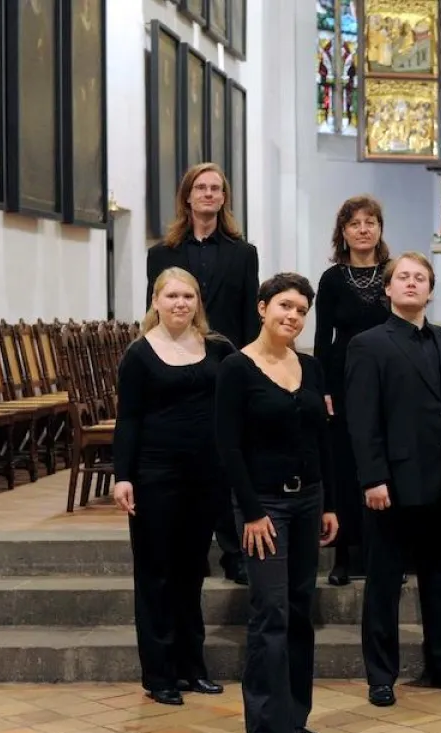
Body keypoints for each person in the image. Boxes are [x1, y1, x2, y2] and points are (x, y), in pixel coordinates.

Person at [346, 252, 441, 708]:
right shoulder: (368, 344)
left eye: (420, 278)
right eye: (403, 277)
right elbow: (362, 419)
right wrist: (373, 477)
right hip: (393, 486)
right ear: (388, 289)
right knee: (385, 584)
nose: (411, 283)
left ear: (431, 289)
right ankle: (381, 675)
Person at [215, 273, 339, 733]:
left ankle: (293, 716)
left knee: (300, 607)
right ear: (263, 308)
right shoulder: (235, 368)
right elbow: (228, 446)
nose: (294, 316)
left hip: (308, 501)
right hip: (264, 506)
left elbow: (320, 440)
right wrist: (250, 512)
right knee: (270, 613)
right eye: (285, 306)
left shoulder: (310, 368)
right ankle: (261, 731)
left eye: (302, 311)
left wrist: (328, 502)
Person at [112, 267, 234, 706]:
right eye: (173, 296)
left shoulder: (217, 349)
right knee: (156, 575)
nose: (181, 304)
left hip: (205, 477)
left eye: (189, 296)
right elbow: (128, 420)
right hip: (155, 476)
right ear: (156, 301)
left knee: (191, 572)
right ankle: (160, 674)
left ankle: (192, 667)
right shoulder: (140, 355)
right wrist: (122, 475)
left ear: (198, 302)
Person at [148, 161, 258, 585]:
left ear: (224, 198)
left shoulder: (243, 252)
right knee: (187, 457)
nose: (209, 194)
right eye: (201, 187)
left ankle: (235, 553)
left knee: (228, 459)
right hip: (176, 364)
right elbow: (153, 311)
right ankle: (189, 552)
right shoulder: (162, 254)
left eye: (216, 188)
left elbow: (251, 315)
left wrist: (250, 368)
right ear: (188, 196)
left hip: (226, 364)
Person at [313, 195, 392, 586]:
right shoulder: (331, 279)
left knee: (384, 463)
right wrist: (324, 386)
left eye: (370, 222)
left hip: (388, 381)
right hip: (343, 381)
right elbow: (322, 337)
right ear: (342, 232)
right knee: (344, 466)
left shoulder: (394, 274)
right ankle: (343, 554)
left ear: (380, 229)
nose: (363, 229)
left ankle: (386, 554)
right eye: (355, 223)